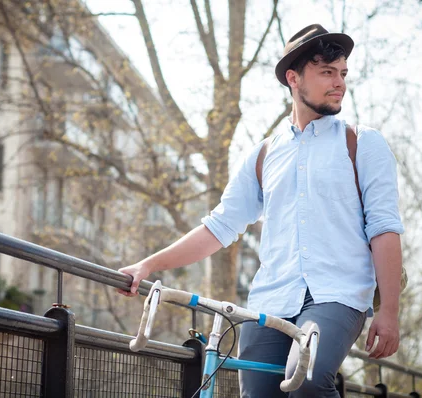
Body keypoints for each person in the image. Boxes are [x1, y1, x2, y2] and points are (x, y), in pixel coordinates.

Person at [118, 23, 404, 398]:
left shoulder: (362, 143)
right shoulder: (263, 155)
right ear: (293, 78)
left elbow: (384, 228)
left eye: (343, 73)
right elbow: (219, 226)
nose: (339, 83)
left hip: (338, 294)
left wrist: (390, 313)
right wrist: (149, 265)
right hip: (271, 298)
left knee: (307, 381)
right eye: (327, 73)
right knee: (257, 392)